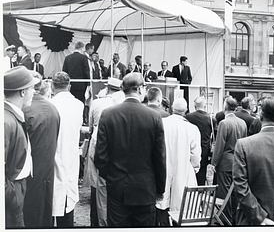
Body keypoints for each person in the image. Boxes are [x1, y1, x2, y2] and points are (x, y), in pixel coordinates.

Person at [94, 72, 166, 227]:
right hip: (145, 188)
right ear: (140, 89)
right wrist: (160, 188)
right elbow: (159, 157)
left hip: (117, 186)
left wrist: (112, 177)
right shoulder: (154, 117)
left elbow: (100, 156)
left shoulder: (108, 115)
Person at [233, 97, 274, 225]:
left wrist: (260, 218)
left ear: (261, 114)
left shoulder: (243, 145)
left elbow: (240, 186)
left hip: (250, 220)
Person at [84, 77, 124, 227]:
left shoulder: (97, 103)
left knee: (98, 185)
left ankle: (98, 223)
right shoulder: (121, 103)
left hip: (98, 143)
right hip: (117, 146)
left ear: (107, 89)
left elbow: (90, 128)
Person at [23, 72, 60, 228]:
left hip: (29, 174)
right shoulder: (53, 109)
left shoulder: (25, 110)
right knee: (45, 213)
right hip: (47, 172)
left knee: (29, 215)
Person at [156, 98, 201, 226]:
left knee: (162, 203)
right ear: (186, 111)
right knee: (182, 204)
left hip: (163, 169)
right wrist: (194, 168)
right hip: (184, 170)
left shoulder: (162, 123)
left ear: (171, 109)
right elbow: (196, 155)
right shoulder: (192, 129)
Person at [4, 66, 39, 228]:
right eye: (32, 88)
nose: (34, 92)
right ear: (23, 92)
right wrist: (13, 196)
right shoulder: (6, 121)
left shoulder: (11, 116)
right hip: (9, 198)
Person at [50, 72, 84, 228]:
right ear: (69, 86)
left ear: (52, 85)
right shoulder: (78, 105)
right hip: (70, 154)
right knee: (66, 202)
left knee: (52, 200)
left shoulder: (50, 104)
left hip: (54, 154)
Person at [209, 96, 247, 225]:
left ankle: (225, 220)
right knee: (236, 193)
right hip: (238, 162)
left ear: (225, 106)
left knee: (224, 194)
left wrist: (213, 163)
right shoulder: (242, 123)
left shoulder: (224, 123)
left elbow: (219, 146)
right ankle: (235, 218)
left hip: (225, 162)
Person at [186, 96, 213, 185]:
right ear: (205, 105)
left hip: (189, 148)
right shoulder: (210, 119)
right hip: (204, 149)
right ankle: (200, 192)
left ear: (194, 105)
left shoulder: (188, 117)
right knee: (202, 173)